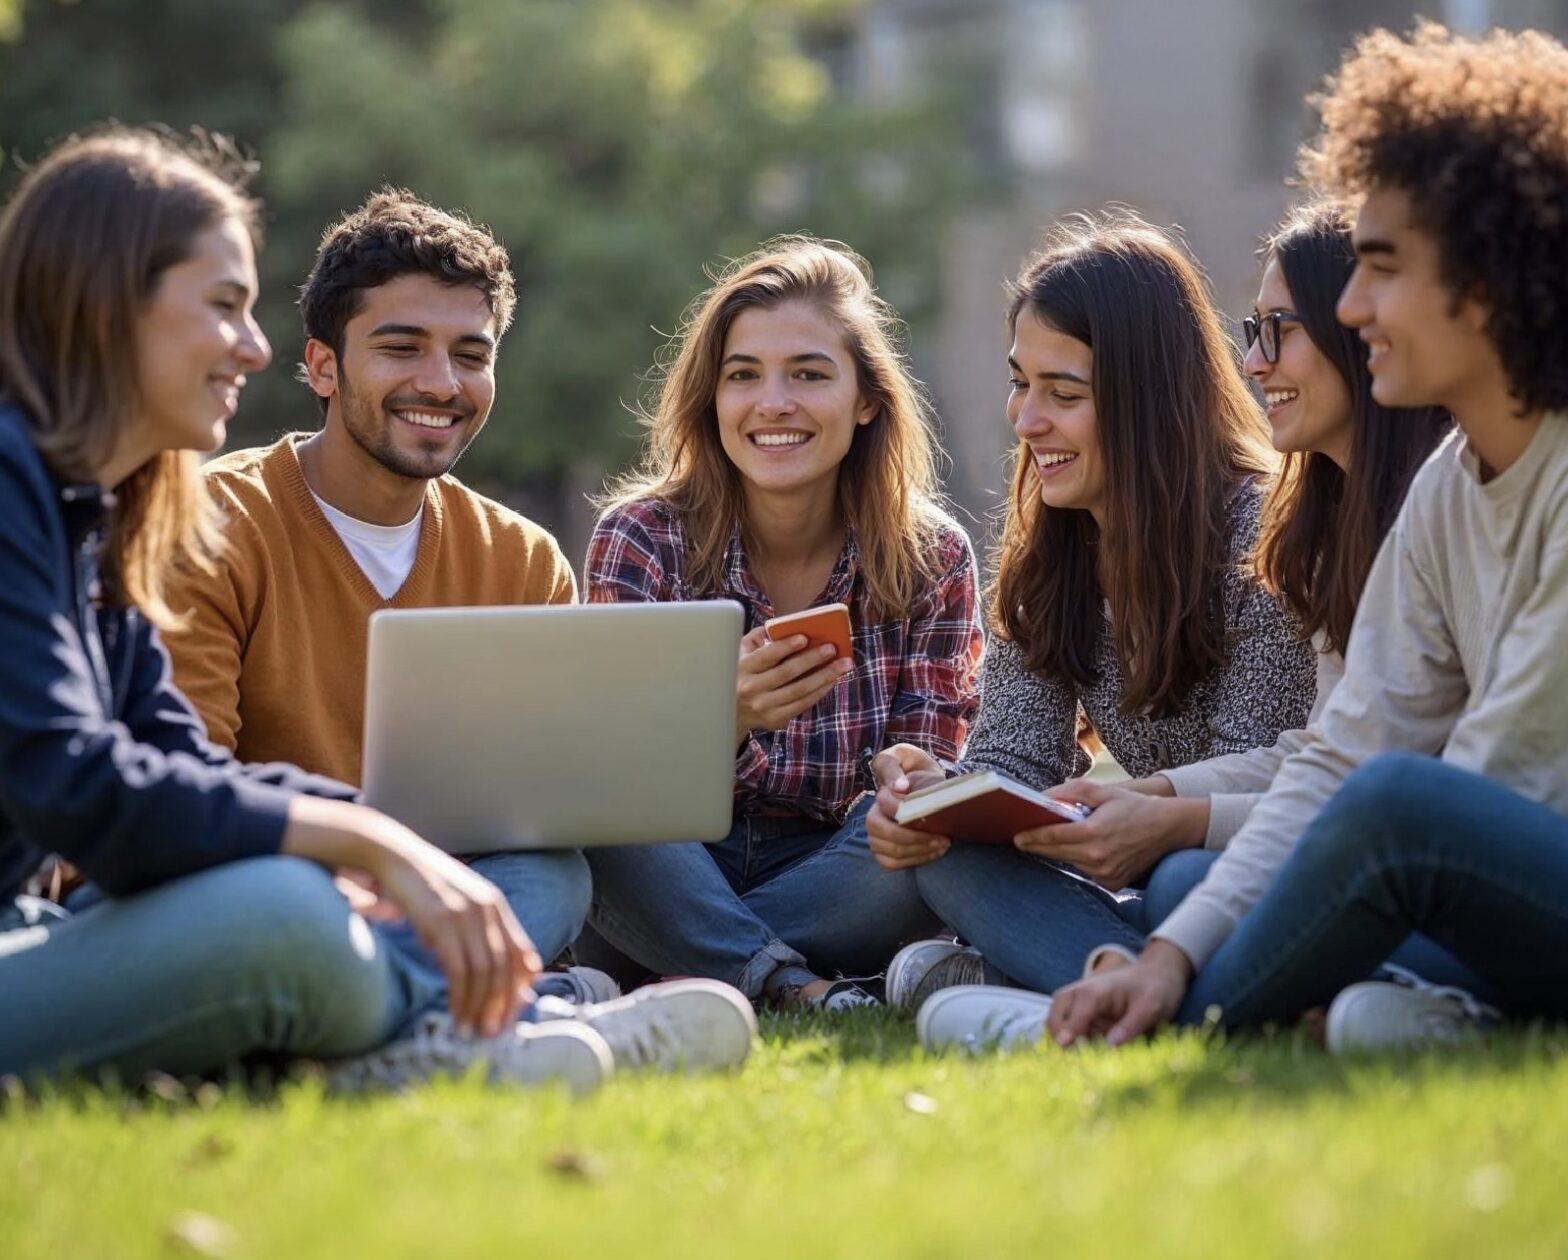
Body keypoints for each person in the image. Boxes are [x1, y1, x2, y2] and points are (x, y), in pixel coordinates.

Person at [0, 127, 753, 1091]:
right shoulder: (34, 488)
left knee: (533, 874)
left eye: (468, 354)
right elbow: (73, 780)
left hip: (60, 928)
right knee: (284, 913)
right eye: (224, 307)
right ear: (106, 306)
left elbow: (165, 750)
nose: (253, 345)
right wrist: (364, 841)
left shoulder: (99, 512)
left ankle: (380, 1044)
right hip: (139, 903)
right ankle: (499, 1020)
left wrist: (377, 845)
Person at [992, 22, 1568, 1056]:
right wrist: (1169, 951)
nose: (1352, 306)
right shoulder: (1445, 490)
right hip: (1459, 875)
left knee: (1382, 813)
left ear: (1487, 277)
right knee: (1219, 876)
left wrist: (1214, 939)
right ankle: (1331, 1004)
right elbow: (1340, 751)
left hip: (1518, 869)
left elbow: (1467, 792)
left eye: (1380, 270)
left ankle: (1166, 1020)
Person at [864, 212, 1318, 1007]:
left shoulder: (1260, 532)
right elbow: (1015, 757)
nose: (1026, 419)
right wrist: (941, 792)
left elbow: (1261, 766)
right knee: (940, 852)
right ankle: (1135, 979)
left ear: (1145, 402)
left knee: (1185, 881)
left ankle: (1084, 974)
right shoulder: (1053, 547)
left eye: (1062, 393)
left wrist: (1143, 818)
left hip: (1246, 848)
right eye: (1020, 383)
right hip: (1134, 850)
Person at [160, 189, 598, 1003]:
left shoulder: (524, 559)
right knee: (283, 908)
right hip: (267, 880)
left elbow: (535, 796)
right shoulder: (213, 521)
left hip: (448, 892)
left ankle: (399, 1006)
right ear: (323, 366)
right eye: (402, 348)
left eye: (471, 355)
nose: (442, 383)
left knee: (555, 874)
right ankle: (489, 1004)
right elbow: (187, 778)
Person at [580, 236, 984, 1009]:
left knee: (928, 846)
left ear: (866, 399)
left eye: (808, 374)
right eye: (743, 377)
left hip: (837, 867)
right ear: (713, 399)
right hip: (670, 859)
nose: (773, 403)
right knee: (592, 807)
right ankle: (797, 985)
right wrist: (720, 716)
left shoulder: (933, 556)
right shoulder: (640, 536)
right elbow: (608, 769)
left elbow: (928, 769)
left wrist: (907, 775)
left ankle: (681, 966)